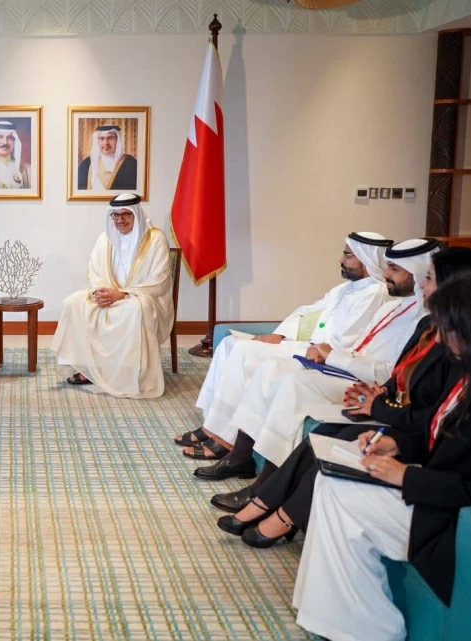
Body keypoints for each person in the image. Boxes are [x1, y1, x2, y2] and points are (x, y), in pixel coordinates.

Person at [213, 248, 471, 538]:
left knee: (323, 422)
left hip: (404, 426)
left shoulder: (456, 347)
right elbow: (398, 374)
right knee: (325, 430)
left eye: (427, 277)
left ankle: (279, 517)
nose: (420, 283)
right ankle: (262, 499)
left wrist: (377, 405)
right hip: (383, 401)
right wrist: (378, 394)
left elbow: (430, 414)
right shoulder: (426, 325)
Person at [293, 272, 471, 641]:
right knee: (330, 482)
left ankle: (372, 629)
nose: (440, 338)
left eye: (446, 328)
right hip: (432, 494)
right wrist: (395, 444)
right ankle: (341, 622)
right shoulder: (466, 375)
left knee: (343, 498)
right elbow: (438, 434)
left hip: (451, 518)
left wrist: (404, 476)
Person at [194, 238, 440, 482]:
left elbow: (391, 372)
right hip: (340, 365)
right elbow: (343, 336)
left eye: (394, 269)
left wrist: (331, 355)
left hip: (365, 381)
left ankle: (267, 481)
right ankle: (239, 454)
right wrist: (322, 354)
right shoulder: (392, 306)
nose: (385, 273)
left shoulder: (423, 320)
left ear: (417, 273)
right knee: (269, 368)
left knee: (291, 382)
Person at [177, 232, 392, 457]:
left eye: (347, 256)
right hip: (303, 345)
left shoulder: (375, 293)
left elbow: (344, 339)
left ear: (366, 260)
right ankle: (211, 427)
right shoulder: (345, 289)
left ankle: (224, 439)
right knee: (229, 344)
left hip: (321, 355)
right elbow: (306, 311)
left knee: (243, 351)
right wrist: (281, 335)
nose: (341, 260)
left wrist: (313, 348)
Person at [51, 193, 174, 398]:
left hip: (142, 298)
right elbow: (94, 272)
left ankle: (129, 372)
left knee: (135, 309)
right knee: (73, 302)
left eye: (125, 215)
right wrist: (100, 292)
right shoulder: (105, 238)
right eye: (115, 215)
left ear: (136, 214)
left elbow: (159, 280)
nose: (119, 220)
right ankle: (87, 368)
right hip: (108, 295)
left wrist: (123, 294)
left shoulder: (155, 239)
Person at [76, 124, 138, 191]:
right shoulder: (86, 164)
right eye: (102, 138)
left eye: (110, 138)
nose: (106, 143)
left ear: (117, 140)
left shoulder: (130, 164)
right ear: (97, 141)